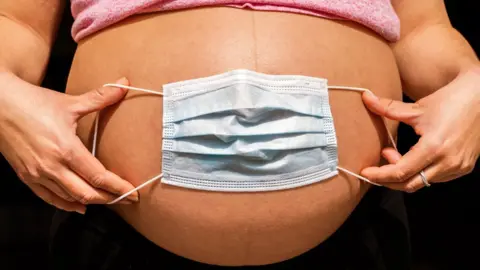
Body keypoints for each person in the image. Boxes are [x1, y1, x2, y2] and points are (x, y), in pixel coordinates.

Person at [0, 0, 478, 269]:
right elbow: (18, 25)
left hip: (357, 226)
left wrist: (471, 84)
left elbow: (422, 32)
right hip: (112, 220)